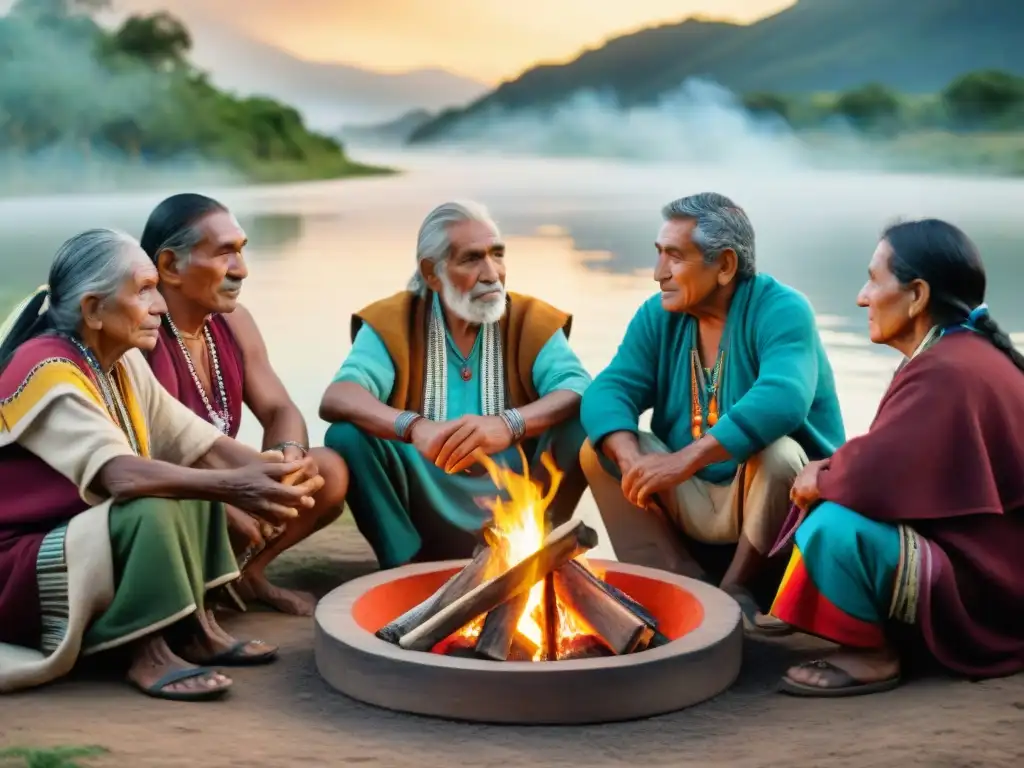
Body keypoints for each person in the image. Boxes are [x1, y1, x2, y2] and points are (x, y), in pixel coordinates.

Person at [0, 229, 326, 701]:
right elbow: (121, 476)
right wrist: (235, 486)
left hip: (70, 539)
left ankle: (194, 628)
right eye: (144, 290)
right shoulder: (46, 370)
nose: (160, 306)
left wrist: (280, 472)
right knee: (154, 502)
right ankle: (145, 649)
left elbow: (195, 441)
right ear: (94, 309)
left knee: (192, 481)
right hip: (18, 564)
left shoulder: (119, 358)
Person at [771, 219, 1024, 696]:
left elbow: (872, 479)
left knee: (832, 526)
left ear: (918, 295)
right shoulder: (959, 354)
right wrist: (832, 469)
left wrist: (821, 477)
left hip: (989, 597)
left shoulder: (948, 369)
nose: (862, 297)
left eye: (874, 279)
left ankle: (873, 657)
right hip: (1000, 579)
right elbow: (900, 459)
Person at [579, 192, 846, 628]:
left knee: (777, 454)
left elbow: (784, 398)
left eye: (675, 258)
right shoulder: (659, 315)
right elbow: (609, 389)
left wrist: (682, 461)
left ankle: (739, 587)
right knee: (603, 448)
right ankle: (679, 576)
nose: (657, 273)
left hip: (780, 512)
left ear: (724, 266)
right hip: (696, 498)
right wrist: (631, 460)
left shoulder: (782, 309)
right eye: (658, 254)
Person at [319, 200, 592, 567]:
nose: (492, 272)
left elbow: (578, 387)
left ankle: (536, 549)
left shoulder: (531, 319)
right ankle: (404, 563)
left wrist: (509, 424)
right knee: (346, 435)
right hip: (426, 488)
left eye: (497, 255)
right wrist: (414, 427)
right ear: (432, 273)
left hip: (517, 489)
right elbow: (340, 395)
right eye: (472, 259)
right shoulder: (394, 320)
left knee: (585, 420)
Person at [140, 194, 349, 616]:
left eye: (241, 250)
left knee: (327, 471)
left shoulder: (234, 322)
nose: (242, 270)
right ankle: (188, 597)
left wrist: (286, 460)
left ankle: (248, 575)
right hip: (167, 497)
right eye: (224, 254)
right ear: (169, 266)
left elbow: (279, 410)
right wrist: (223, 499)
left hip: (231, 486)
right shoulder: (139, 333)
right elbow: (133, 459)